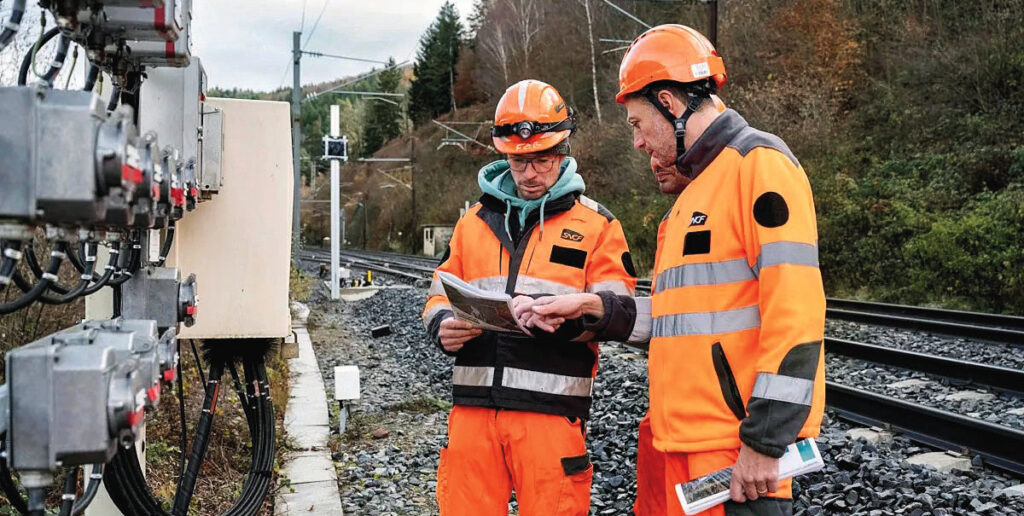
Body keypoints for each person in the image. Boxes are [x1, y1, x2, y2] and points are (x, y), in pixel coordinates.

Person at [514, 25, 826, 516]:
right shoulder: (693, 193)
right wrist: (595, 308)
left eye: (638, 123)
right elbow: (681, 316)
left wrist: (765, 441)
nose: (637, 142)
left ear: (670, 103)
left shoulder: (757, 167)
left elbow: (797, 313)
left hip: (733, 456)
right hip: (678, 443)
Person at [422, 79, 638, 516]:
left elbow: (622, 311)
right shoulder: (473, 224)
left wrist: (574, 317)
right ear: (504, 154)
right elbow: (437, 289)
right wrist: (442, 326)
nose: (530, 173)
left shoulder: (598, 226)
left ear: (563, 152)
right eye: (519, 161)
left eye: (542, 159)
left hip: (550, 417)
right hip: (472, 414)